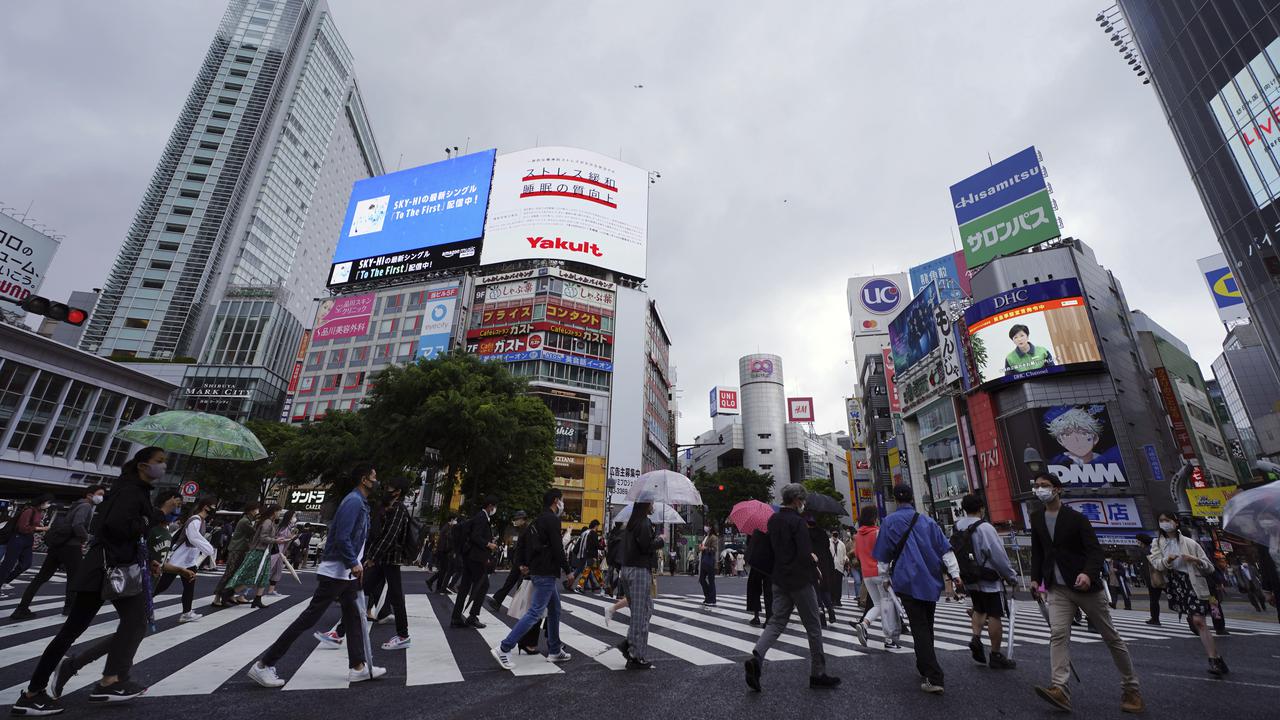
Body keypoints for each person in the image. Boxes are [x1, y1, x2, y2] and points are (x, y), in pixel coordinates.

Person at [11, 448, 166, 715]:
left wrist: (148, 528)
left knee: (135, 621)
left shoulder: (131, 488)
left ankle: (109, 681)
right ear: (143, 465)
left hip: (110, 567)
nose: (163, 467)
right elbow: (117, 526)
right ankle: (34, 693)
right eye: (159, 462)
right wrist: (147, 519)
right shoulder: (131, 490)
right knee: (75, 630)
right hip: (106, 569)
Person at [247, 464, 385, 688]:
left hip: (346, 572)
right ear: (364, 479)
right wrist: (353, 562)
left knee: (354, 617)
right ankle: (264, 664)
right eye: (374, 476)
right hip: (338, 571)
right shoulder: (353, 502)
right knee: (309, 618)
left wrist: (356, 563)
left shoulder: (361, 503)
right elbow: (342, 536)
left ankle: (358, 667)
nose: (377, 481)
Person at [1029, 471, 1144, 714]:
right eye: (1037, 486)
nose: (1040, 489)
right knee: (1058, 635)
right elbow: (1038, 551)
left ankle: (1131, 688)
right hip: (1057, 588)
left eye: (1045, 485)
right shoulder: (1037, 518)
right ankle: (1059, 688)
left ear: (1057, 489)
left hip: (1085, 587)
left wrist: (1088, 573)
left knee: (1111, 637)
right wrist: (1035, 579)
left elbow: (1094, 551)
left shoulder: (1077, 519)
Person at [745, 483, 838, 692]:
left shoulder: (774, 519)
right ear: (797, 500)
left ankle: (757, 657)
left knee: (776, 622)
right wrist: (815, 566)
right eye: (802, 500)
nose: (803, 504)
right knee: (813, 627)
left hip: (778, 578)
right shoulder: (798, 523)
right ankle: (818, 673)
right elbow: (804, 553)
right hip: (799, 580)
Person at [874, 483, 963, 695]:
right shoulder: (927, 520)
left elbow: (884, 554)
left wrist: (885, 577)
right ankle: (924, 665)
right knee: (926, 623)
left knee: (919, 626)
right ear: (912, 498)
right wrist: (956, 575)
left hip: (906, 579)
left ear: (895, 499)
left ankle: (933, 674)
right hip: (930, 579)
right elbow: (945, 550)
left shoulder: (889, 522)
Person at [491, 489, 573, 669]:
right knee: (535, 612)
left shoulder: (537, 521)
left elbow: (526, 544)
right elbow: (558, 548)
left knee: (555, 609)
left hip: (539, 571)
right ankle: (504, 647)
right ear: (555, 501)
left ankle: (554, 649)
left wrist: (524, 563)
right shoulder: (552, 520)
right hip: (546, 572)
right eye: (561, 500)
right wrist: (568, 571)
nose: (562, 504)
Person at [1148, 512, 1227, 675]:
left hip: (1193, 582)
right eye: (1161, 520)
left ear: (1176, 522)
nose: (1164, 523)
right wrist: (1167, 560)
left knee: (1199, 620)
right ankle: (1217, 657)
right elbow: (1157, 564)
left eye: (1167, 520)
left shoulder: (1190, 543)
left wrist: (1195, 560)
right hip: (1176, 584)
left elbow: (1209, 567)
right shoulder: (1157, 543)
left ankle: (1213, 659)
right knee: (1194, 622)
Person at [12, 486, 104, 619]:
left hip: (58, 545)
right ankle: (69, 608)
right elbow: (77, 524)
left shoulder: (76, 505)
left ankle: (21, 608)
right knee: (74, 578)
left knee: (41, 577)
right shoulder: (86, 507)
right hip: (71, 547)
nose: (101, 497)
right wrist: (86, 537)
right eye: (99, 494)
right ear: (90, 495)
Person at [953, 493, 1018, 670]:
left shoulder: (957, 526)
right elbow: (997, 555)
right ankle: (995, 654)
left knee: (979, 609)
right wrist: (1011, 576)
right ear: (981, 508)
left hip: (969, 576)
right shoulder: (985, 527)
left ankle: (976, 637)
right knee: (995, 614)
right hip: (988, 576)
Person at [154, 495, 219, 623]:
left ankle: (187, 613)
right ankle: (140, 603)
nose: (214, 509)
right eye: (213, 506)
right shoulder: (195, 519)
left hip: (189, 560)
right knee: (163, 585)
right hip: (179, 559)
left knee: (189, 587)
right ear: (205, 506)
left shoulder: (201, 520)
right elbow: (193, 537)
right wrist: (208, 548)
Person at [617, 499, 665, 669]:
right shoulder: (644, 522)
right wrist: (661, 540)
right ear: (646, 505)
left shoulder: (632, 522)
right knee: (640, 613)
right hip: (638, 570)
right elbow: (646, 547)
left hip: (627, 569)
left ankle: (629, 644)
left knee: (646, 609)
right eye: (651, 503)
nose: (653, 506)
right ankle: (636, 655)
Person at [848, 505, 899, 649]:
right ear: (874, 518)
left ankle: (864, 624)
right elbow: (886, 552)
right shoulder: (878, 532)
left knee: (878, 604)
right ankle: (889, 639)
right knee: (887, 604)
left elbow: (857, 555)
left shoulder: (858, 535)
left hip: (867, 574)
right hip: (880, 572)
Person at [451, 496, 498, 629]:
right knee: (483, 585)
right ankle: (472, 617)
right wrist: (488, 544)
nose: (495, 510)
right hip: (476, 558)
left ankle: (456, 617)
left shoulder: (480, 517)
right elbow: (475, 536)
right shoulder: (482, 517)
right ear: (490, 506)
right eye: (494, 507)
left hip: (470, 557)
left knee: (465, 587)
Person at [227, 505, 286, 609]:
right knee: (253, 575)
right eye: (279, 512)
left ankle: (257, 599)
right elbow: (263, 537)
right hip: (259, 552)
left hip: (264, 552)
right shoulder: (267, 522)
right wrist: (276, 540)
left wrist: (276, 539)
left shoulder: (269, 522)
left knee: (263, 575)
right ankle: (229, 593)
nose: (279, 514)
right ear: (274, 512)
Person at [0, 495, 53, 587]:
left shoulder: (39, 513)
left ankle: (5, 580)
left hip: (28, 538)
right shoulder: (29, 511)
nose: (48, 505)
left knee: (26, 564)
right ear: (42, 501)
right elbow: (22, 527)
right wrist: (40, 528)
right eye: (48, 502)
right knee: (8, 564)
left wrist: (40, 528)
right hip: (18, 538)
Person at [213, 503, 259, 607]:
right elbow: (255, 533)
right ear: (251, 510)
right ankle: (217, 597)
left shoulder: (246, 520)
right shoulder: (245, 521)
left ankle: (229, 595)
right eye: (256, 510)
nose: (257, 512)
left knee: (234, 574)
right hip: (236, 549)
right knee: (229, 573)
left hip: (240, 549)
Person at [490, 511, 530, 610]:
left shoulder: (527, 530)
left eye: (517, 519)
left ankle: (520, 606)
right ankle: (498, 600)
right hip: (519, 561)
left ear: (522, 519)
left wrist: (524, 563)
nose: (515, 521)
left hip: (523, 562)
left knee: (521, 584)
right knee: (510, 582)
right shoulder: (521, 529)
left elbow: (526, 548)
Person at [807, 514, 836, 625]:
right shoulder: (823, 534)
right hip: (825, 565)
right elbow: (827, 549)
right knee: (825, 590)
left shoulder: (806, 535)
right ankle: (831, 610)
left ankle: (822, 618)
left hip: (814, 565)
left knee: (816, 592)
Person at [266, 509, 298, 597]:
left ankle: (271, 590)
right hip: (276, 551)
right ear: (289, 517)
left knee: (277, 570)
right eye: (294, 516)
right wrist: (290, 538)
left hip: (281, 552)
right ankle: (247, 589)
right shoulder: (284, 527)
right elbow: (280, 539)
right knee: (267, 569)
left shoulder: (288, 527)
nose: (295, 518)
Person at [745, 530, 773, 626]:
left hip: (756, 562)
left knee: (754, 589)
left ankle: (756, 616)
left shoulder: (754, 529)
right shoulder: (774, 528)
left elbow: (749, 544)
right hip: (770, 563)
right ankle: (769, 617)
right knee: (769, 591)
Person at [1134, 533, 1163, 625]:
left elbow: (1147, 567)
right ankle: (1154, 618)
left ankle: (1155, 619)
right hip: (1156, 576)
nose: (1137, 542)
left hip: (1152, 578)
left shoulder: (1145, 551)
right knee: (1155, 599)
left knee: (1153, 599)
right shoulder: (1151, 549)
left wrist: (1146, 579)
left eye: (1138, 540)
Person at [566, 519, 600, 593]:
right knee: (587, 571)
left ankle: (600, 586)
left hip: (582, 554)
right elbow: (596, 545)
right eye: (597, 526)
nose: (597, 528)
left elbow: (579, 543)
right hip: (590, 556)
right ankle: (580, 586)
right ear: (596, 526)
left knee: (587, 570)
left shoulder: (584, 533)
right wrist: (602, 547)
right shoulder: (592, 533)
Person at [426, 517, 456, 594]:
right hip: (444, 552)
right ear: (452, 520)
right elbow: (448, 539)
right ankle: (437, 586)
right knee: (444, 570)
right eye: (455, 520)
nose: (456, 522)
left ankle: (434, 583)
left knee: (443, 570)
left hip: (443, 551)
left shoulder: (446, 527)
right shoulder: (447, 528)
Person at [698, 522, 718, 607]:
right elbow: (702, 548)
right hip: (703, 561)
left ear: (710, 527)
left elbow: (714, 549)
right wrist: (700, 547)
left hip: (709, 561)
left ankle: (712, 599)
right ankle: (707, 597)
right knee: (701, 579)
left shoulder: (713, 537)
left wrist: (705, 548)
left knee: (711, 580)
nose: (705, 527)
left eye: (707, 525)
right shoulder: (706, 536)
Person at [828, 530, 847, 607]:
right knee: (831, 584)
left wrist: (845, 559)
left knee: (838, 584)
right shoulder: (828, 542)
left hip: (839, 566)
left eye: (836, 534)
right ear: (832, 534)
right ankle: (832, 600)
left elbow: (844, 554)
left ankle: (838, 600)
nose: (835, 535)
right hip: (831, 566)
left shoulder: (842, 544)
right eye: (834, 534)